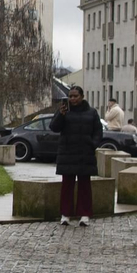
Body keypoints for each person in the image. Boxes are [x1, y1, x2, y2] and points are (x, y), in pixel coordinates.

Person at [49, 84, 104, 226]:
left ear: (82, 97)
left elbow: (98, 131)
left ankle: (84, 214)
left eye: (75, 96)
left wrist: (93, 144)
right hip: (67, 153)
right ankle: (65, 214)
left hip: (85, 153)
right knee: (67, 185)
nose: (73, 99)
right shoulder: (63, 110)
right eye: (70, 96)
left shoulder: (91, 112)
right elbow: (54, 127)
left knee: (84, 185)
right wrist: (60, 115)